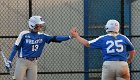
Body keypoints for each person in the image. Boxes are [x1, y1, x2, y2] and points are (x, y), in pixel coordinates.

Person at [6, 16, 73, 80]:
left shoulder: (42, 35)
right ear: (32, 25)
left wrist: (69, 37)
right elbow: (15, 47)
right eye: (38, 25)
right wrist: (9, 60)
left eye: (41, 25)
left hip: (34, 62)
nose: (41, 26)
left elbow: (55, 38)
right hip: (22, 61)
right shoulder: (24, 34)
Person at [70, 19, 136, 80]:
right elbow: (132, 51)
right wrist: (129, 59)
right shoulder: (124, 38)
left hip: (109, 64)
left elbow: (87, 43)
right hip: (122, 64)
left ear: (107, 28)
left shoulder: (103, 38)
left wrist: (77, 36)